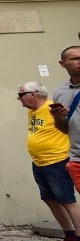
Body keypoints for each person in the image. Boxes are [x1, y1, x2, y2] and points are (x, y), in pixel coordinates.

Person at [17, 81, 80, 241]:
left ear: (33, 94)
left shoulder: (53, 108)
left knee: (67, 200)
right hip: (39, 162)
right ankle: (68, 236)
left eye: (21, 95)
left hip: (57, 160)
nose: (19, 98)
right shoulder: (32, 111)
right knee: (50, 199)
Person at [52, 46, 80, 206]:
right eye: (75, 59)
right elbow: (65, 129)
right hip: (77, 157)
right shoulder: (60, 92)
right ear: (62, 64)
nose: (79, 62)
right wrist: (58, 118)